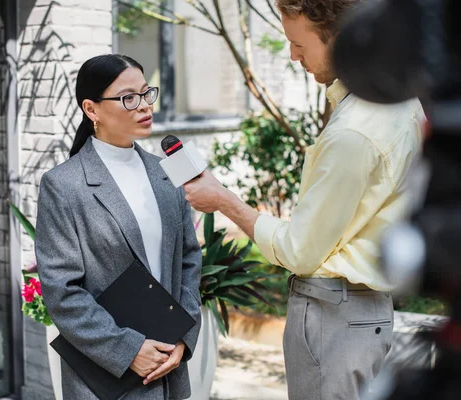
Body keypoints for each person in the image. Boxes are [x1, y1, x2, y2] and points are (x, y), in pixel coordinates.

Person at [183, 1, 426, 399]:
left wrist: (225, 201)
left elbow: (300, 250)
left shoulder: (354, 131)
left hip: (335, 319)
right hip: (362, 315)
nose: (293, 56)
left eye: (299, 44)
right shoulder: (400, 99)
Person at [35, 54, 202, 400]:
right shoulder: (64, 185)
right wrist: (127, 350)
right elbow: (62, 291)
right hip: (106, 379)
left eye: (146, 93)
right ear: (92, 110)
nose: (143, 106)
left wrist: (185, 337)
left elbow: (189, 260)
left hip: (170, 370)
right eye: (128, 98)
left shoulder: (165, 171)